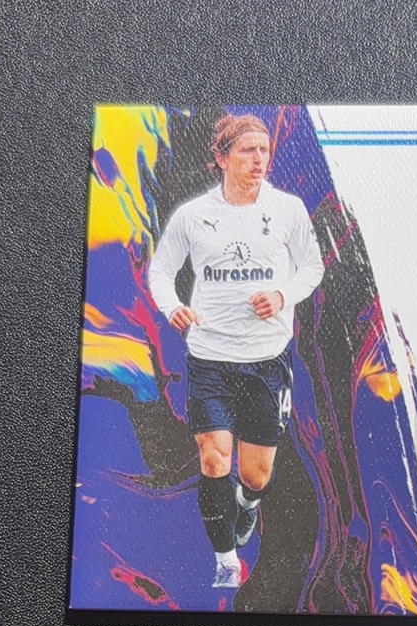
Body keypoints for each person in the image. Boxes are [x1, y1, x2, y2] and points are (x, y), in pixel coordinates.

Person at [148, 113, 324, 588]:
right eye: (247, 151)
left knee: (256, 474)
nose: (258, 159)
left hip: (267, 361)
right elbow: (161, 271)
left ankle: (248, 503)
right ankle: (226, 561)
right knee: (213, 459)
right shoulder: (193, 216)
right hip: (210, 357)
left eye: (264, 150)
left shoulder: (288, 210)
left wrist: (282, 296)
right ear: (222, 158)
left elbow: (312, 267)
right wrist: (173, 307)